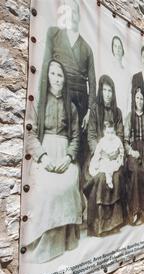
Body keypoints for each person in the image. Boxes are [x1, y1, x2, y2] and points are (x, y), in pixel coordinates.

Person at [23, 59, 82, 263]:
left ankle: (68, 240)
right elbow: (30, 134)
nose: (57, 78)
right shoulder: (39, 102)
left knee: (69, 185)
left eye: (60, 74)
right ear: (47, 77)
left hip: (64, 154)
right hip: (46, 153)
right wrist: (43, 157)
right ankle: (46, 246)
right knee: (48, 190)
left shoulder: (71, 106)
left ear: (64, 79)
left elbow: (76, 137)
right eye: (53, 74)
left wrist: (68, 157)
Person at [42, 0, 96, 175]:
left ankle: (76, 183)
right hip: (57, 91)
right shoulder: (55, 34)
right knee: (56, 131)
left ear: (79, 16)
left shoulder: (86, 48)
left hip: (80, 98)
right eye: (69, 11)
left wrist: (89, 109)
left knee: (77, 139)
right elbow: (45, 66)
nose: (72, 15)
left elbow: (93, 81)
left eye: (75, 12)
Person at [84, 75, 125, 236]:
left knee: (116, 176)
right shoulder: (95, 110)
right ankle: (98, 225)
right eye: (105, 90)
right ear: (101, 91)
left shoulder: (118, 112)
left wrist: (114, 151)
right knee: (100, 177)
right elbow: (92, 135)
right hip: (98, 155)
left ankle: (113, 223)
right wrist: (100, 153)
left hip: (114, 156)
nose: (107, 94)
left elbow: (120, 134)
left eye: (110, 91)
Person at [124, 86, 144, 225]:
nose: (139, 101)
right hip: (134, 150)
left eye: (142, 98)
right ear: (134, 100)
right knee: (136, 171)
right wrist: (131, 152)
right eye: (137, 98)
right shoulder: (129, 117)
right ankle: (136, 211)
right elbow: (125, 140)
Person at [89, 121, 124, 190]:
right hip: (104, 160)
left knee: (112, 167)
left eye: (112, 133)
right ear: (104, 133)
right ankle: (106, 177)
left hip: (114, 160)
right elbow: (97, 153)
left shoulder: (117, 140)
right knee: (102, 165)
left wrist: (120, 159)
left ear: (114, 132)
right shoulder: (102, 141)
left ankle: (109, 178)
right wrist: (96, 161)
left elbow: (121, 150)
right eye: (108, 133)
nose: (110, 135)